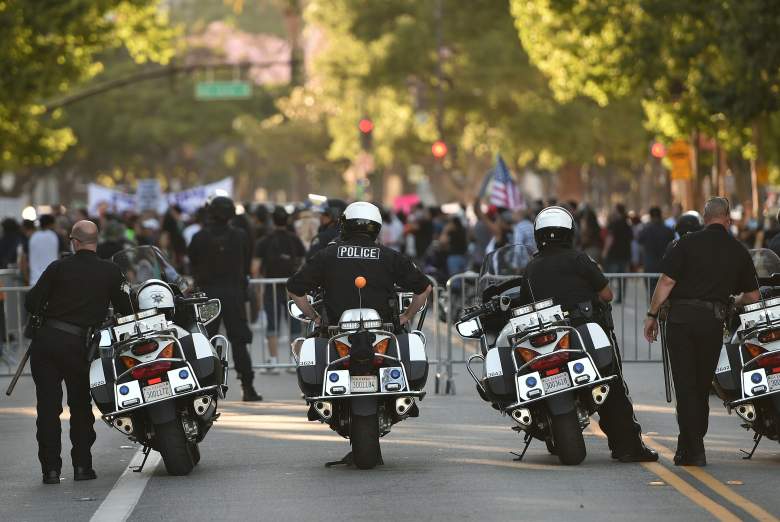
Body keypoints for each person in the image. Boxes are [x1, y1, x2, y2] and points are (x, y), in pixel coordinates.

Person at [524, 206, 658, 463]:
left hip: (548, 337)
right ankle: (627, 447)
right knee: (611, 385)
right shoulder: (579, 259)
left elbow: (526, 302)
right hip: (584, 331)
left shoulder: (532, 268)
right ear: (569, 233)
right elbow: (608, 294)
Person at [644, 197, 759, 466]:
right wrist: (734, 301)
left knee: (686, 387)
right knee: (702, 384)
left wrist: (651, 315)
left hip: (681, 322)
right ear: (728, 219)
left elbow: (666, 281)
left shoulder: (685, 243)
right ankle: (690, 445)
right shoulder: (738, 250)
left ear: (705, 219)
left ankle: (693, 449)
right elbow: (753, 296)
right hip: (712, 321)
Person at [25, 220, 132, 484]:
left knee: (48, 409)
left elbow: (31, 302)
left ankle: (50, 470)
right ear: (96, 240)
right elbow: (127, 308)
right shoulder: (111, 271)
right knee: (81, 408)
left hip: (47, 343)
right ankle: (83, 467)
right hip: (81, 347)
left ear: (74, 242)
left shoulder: (58, 267)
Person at [287, 201, 432, 336]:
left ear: (344, 225)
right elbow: (424, 288)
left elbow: (294, 288)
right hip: (383, 336)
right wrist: (406, 316)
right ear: (377, 227)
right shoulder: (391, 256)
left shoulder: (327, 255)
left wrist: (315, 317)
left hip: (334, 334)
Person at [188, 196, 261, 402]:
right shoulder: (240, 235)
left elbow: (192, 261)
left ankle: (206, 389)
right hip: (233, 293)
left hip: (209, 296)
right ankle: (248, 388)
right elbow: (246, 262)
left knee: (207, 341)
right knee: (239, 341)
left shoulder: (200, 236)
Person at [253, 206, 306, 373]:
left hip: (271, 286)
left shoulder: (264, 240)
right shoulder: (294, 239)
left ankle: (274, 361)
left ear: (272, 220)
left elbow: (255, 267)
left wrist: (260, 281)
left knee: (272, 324)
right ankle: (293, 360)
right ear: (287, 220)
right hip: (292, 287)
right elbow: (304, 263)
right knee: (295, 324)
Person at [638, 207, 675, 297]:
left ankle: (653, 309)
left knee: (651, 291)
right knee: (665, 292)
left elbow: (639, 242)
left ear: (650, 216)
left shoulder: (646, 229)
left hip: (649, 265)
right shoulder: (668, 230)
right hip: (665, 265)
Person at [603, 204, 633, 302]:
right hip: (625, 254)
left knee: (612, 276)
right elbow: (631, 238)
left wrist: (605, 251)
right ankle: (620, 296)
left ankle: (607, 295)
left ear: (617, 211)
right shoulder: (627, 224)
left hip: (615, 254)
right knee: (622, 277)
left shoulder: (614, 223)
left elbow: (610, 238)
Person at [28, 214, 60, 285]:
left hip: (35, 280)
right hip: (53, 280)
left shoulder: (33, 237)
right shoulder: (55, 236)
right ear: (51, 224)